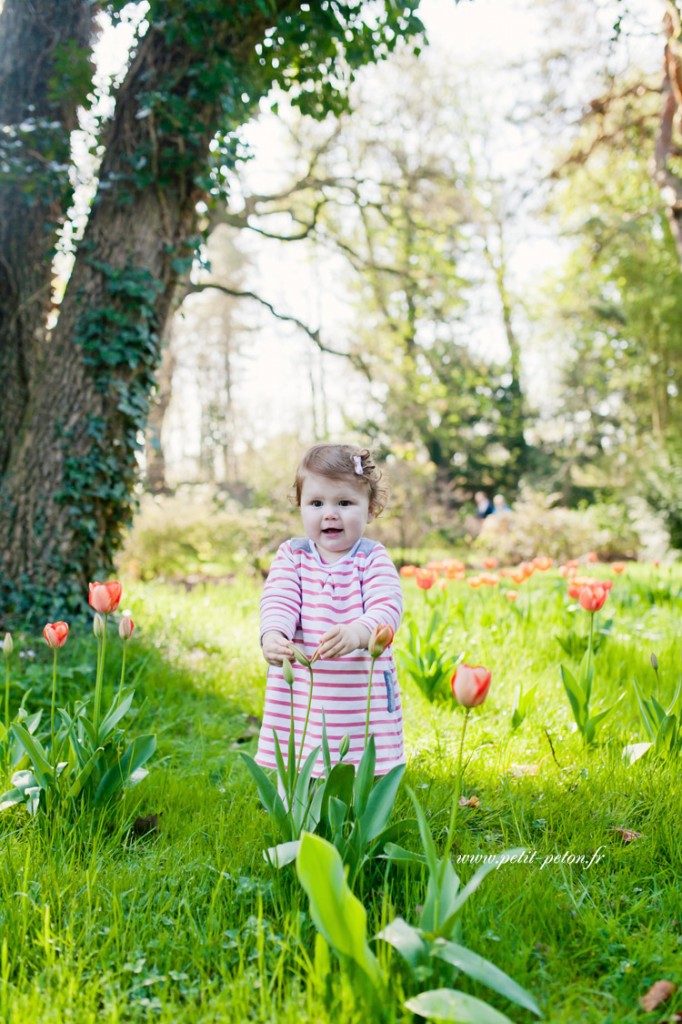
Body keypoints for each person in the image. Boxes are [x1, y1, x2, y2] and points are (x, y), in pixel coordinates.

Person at [255, 443, 404, 776]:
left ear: (370, 509)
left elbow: (388, 605)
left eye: (345, 503)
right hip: (305, 686)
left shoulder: (371, 558)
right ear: (301, 507)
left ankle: (358, 810)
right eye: (317, 503)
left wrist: (359, 631)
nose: (330, 513)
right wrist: (273, 634)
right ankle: (297, 812)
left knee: (362, 756)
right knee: (300, 756)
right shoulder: (293, 556)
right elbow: (279, 598)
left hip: (359, 690)